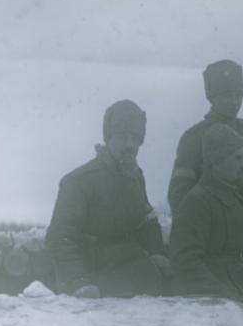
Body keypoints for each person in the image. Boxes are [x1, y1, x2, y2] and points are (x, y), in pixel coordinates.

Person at [167, 59, 243, 285]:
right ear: (212, 97)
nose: (235, 101)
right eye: (227, 95)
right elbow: (180, 194)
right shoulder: (195, 137)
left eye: (239, 95)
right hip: (216, 233)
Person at [45, 99, 169, 298]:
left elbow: (146, 220)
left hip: (134, 274)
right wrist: (79, 281)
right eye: (122, 137)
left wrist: (157, 253)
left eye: (135, 138)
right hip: (96, 281)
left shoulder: (134, 177)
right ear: (108, 138)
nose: (129, 145)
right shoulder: (80, 181)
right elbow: (59, 238)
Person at [169, 124, 243, 306]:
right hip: (211, 297)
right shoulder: (197, 201)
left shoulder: (234, 198)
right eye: (238, 158)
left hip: (240, 289)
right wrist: (222, 294)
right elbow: (185, 260)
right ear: (218, 162)